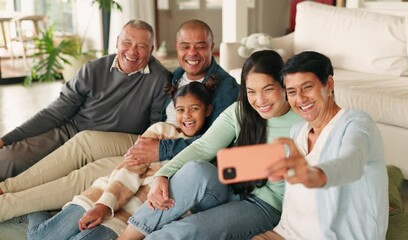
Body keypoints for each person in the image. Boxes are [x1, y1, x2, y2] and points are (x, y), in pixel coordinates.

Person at [0, 19, 239, 222]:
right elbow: (158, 120)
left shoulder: (225, 88)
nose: (192, 53)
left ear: (212, 47)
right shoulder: (176, 75)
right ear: (176, 47)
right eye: (185, 46)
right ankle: (5, 188)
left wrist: (159, 150)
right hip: (156, 138)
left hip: (176, 156)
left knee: (93, 171)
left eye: (200, 46)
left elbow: (211, 144)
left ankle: (6, 206)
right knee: (85, 140)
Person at [117, 50, 301, 240]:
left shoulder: (302, 123)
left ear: (284, 84)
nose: (260, 100)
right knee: (196, 169)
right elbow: (203, 147)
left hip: (262, 207)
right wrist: (162, 174)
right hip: (230, 189)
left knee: (185, 230)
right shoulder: (241, 110)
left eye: (268, 89)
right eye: (251, 91)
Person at [26, 80, 217, 240]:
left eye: (194, 109)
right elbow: (129, 168)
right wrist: (103, 206)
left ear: (208, 110)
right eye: (181, 110)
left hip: (128, 218)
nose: (187, 116)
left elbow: (186, 196)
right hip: (103, 197)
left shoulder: (209, 150)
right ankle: (36, 211)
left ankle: (51, 214)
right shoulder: (162, 131)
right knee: (38, 237)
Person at [0, 19, 171, 181]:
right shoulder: (93, 69)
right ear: (117, 41)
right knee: (9, 158)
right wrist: (6, 139)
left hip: (113, 148)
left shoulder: (160, 79)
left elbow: (153, 128)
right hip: (72, 133)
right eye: (127, 42)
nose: (132, 51)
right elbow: (55, 113)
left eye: (142, 46)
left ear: (151, 50)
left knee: (53, 179)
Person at [252, 51, 389, 240]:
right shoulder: (297, 131)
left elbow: (352, 161)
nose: (300, 99)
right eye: (292, 92)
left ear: (329, 84)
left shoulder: (356, 122)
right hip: (285, 233)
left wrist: (316, 175)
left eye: (307, 87)